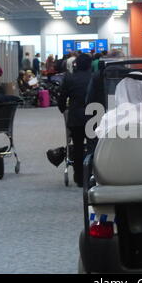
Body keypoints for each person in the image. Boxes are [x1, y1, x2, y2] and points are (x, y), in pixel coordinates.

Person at [58, 54, 93, 187]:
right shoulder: (94, 77)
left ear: (75, 64)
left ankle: (79, 177)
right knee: (93, 146)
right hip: (93, 117)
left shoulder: (69, 78)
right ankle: (91, 174)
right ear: (90, 64)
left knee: (77, 146)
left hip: (76, 118)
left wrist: (64, 110)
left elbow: (61, 99)